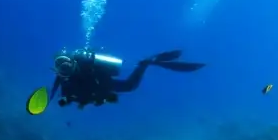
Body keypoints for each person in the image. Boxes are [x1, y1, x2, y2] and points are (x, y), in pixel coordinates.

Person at [49, 48, 205, 109]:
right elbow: (65, 96)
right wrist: (66, 100)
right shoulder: (63, 79)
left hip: (101, 82)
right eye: (61, 68)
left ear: (73, 62)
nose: (66, 69)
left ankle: (146, 63)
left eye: (67, 65)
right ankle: (146, 62)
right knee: (128, 88)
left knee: (130, 86)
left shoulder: (85, 65)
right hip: (96, 91)